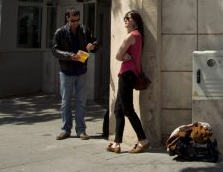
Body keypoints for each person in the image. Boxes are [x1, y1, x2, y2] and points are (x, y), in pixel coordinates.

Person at [52, 8, 100, 140]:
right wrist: (68, 55)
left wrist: (93, 45)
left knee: (81, 101)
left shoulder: (84, 30)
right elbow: (54, 50)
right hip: (66, 72)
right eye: (73, 20)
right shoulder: (60, 32)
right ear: (67, 18)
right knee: (65, 102)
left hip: (81, 71)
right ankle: (66, 130)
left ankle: (81, 130)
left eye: (77, 20)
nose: (75, 23)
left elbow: (96, 42)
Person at [106, 10, 150, 154]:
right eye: (124, 18)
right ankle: (117, 144)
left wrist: (123, 57)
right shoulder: (139, 36)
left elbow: (118, 56)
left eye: (128, 18)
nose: (125, 20)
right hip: (130, 74)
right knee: (119, 109)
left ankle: (143, 140)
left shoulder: (131, 36)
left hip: (126, 75)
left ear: (135, 22)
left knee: (128, 110)